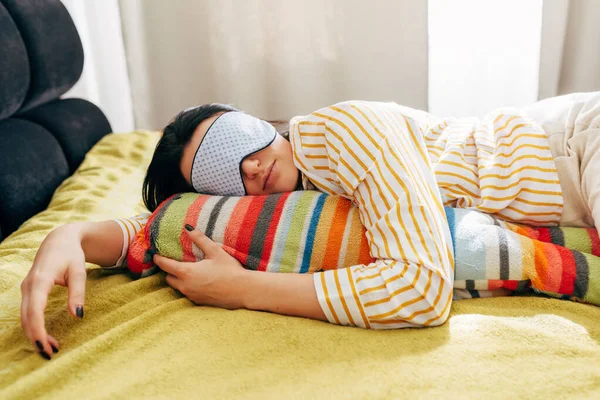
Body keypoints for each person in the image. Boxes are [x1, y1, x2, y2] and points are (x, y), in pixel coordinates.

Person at [21, 93, 600, 361]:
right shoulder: (292, 200)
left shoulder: (341, 131)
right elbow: (161, 227)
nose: (248, 166)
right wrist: (70, 235)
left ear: (255, 119)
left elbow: (420, 290)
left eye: (233, 139)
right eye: (221, 174)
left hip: (577, 146)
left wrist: (244, 290)